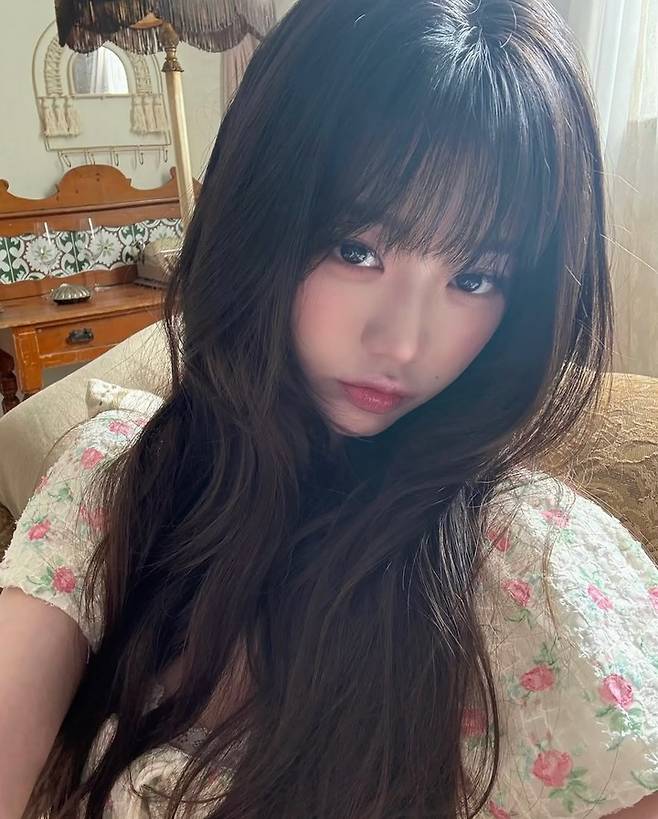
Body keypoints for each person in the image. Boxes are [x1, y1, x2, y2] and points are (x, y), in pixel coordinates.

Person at [1, 0, 657, 816]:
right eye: (357, 249)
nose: (404, 343)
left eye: (475, 277)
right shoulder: (119, 479)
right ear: (258, 216)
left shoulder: (519, 562)